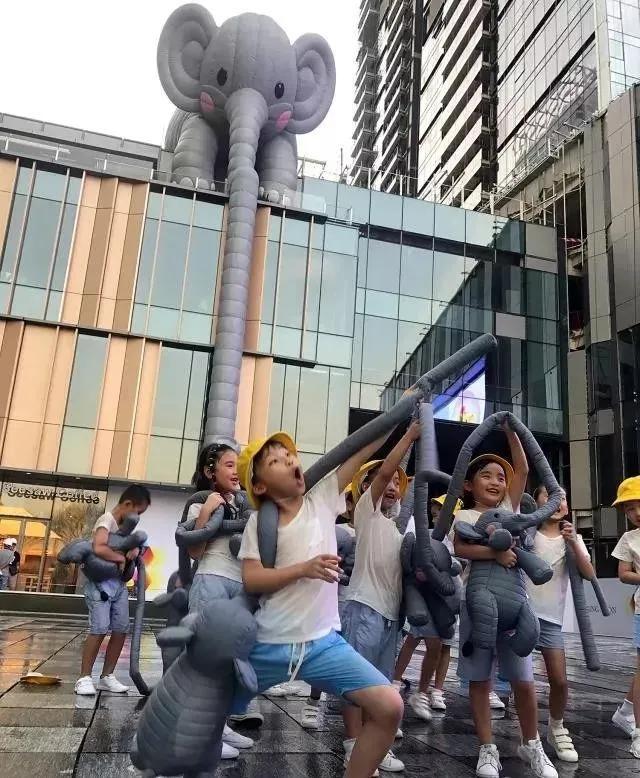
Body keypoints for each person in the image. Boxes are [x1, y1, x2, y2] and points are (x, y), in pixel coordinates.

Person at [236, 427, 407, 778]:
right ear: (259, 486)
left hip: (323, 644)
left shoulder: (323, 498)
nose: (289, 461)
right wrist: (304, 568)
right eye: (275, 461)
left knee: (390, 707)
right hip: (270, 643)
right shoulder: (260, 521)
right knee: (204, 714)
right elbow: (252, 578)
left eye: (290, 456)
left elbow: (360, 449)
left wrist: (400, 414)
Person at [452, 424, 558, 778]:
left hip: (514, 606)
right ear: (468, 485)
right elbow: (460, 547)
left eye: (500, 476)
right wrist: (494, 555)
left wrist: (512, 429)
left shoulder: (512, 511)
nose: (496, 481)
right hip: (476, 605)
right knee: (480, 680)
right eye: (486, 475)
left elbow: (524, 469)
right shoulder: (465, 517)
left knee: (523, 680)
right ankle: (487, 747)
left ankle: (533, 745)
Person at [341, 421, 420, 773]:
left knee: (379, 685)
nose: (391, 487)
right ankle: (352, 744)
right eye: (384, 483)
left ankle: (374, 745)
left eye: (397, 486)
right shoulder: (366, 515)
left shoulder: (396, 529)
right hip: (365, 607)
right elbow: (388, 466)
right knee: (357, 683)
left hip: (391, 616)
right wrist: (410, 435)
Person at [186, 442, 257, 757]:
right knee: (205, 660)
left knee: (231, 662)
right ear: (209, 471)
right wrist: (205, 512)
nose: (235, 471)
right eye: (229, 465)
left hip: (238, 587)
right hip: (210, 581)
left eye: (237, 465)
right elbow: (193, 551)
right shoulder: (201, 503)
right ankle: (202, 736)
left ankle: (220, 726)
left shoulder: (244, 505)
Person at [526, 489, 593, 762]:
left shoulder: (572, 538)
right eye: (550, 496)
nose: (558, 502)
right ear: (538, 501)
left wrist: (574, 543)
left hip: (552, 620)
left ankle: (556, 726)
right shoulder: (528, 533)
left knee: (560, 680)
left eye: (564, 498)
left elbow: (589, 573)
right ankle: (528, 732)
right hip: (523, 616)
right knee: (522, 680)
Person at [75, 485, 150, 696]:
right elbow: (99, 547)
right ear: (127, 505)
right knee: (99, 628)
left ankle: (107, 675)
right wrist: (118, 557)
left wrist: (136, 549)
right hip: (100, 585)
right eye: (138, 512)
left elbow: (133, 544)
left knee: (120, 628)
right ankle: (84, 678)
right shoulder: (106, 520)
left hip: (118, 585)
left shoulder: (126, 526)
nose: (139, 517)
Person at [392, 496, 461, 718]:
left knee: (444, 645)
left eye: (442, 510)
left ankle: (436, 690)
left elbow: (460, 566)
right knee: (420, 639)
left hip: (448, 600)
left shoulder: (459, 538)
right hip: (426, 597)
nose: (436, 513)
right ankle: (400, 681)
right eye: (436, 509)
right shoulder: (429, 536)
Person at [611, 476, 640, 755]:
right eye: (630, 508)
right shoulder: (629, 538)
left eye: (639, 504)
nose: (636, 513)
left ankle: (627, 710)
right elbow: (623, 574)